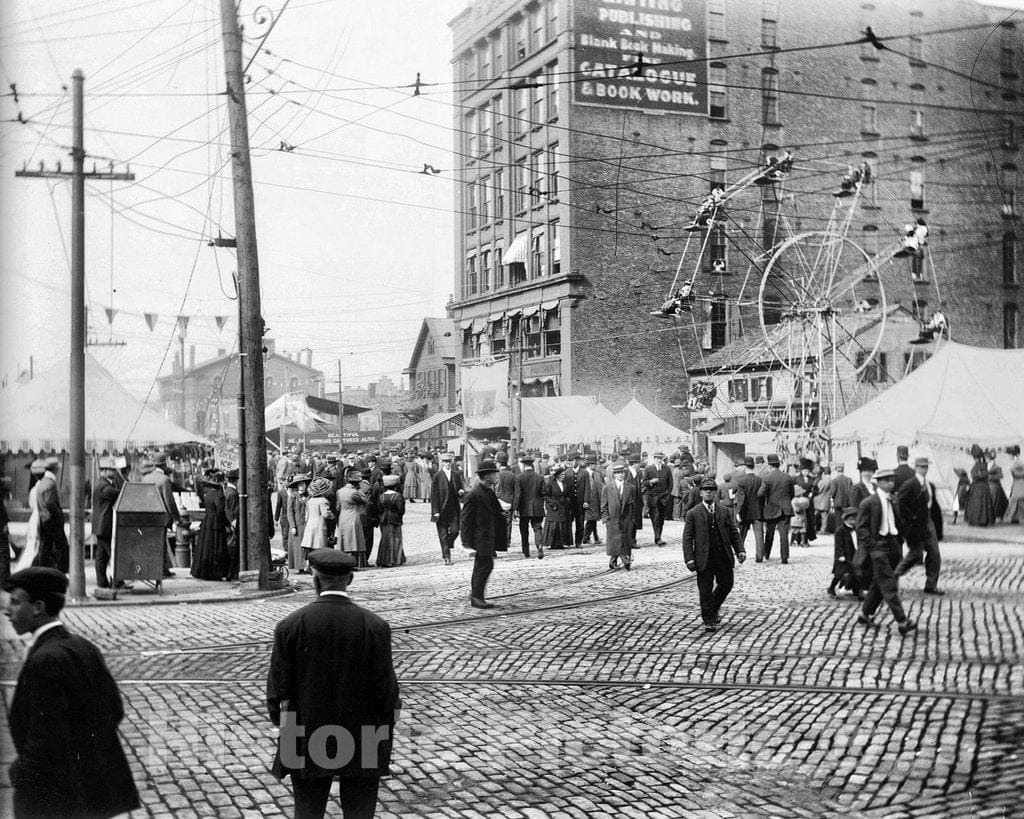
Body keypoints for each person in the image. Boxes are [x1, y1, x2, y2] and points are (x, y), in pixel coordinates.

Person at [267, 550, 400, 819]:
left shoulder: (290, 626)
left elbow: (276, 694)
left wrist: (283, 724)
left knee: (307, 810)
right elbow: (387, 693)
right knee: (360, 812)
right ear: (349, 580)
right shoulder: (375, 627)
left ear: (315, 580)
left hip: (304, 733)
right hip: (364, 734)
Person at [5, 567, 140, 818]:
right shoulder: (82, 646)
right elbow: (113, 710)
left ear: (38, 607)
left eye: (15, 602)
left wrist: (20, 773)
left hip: (50, 796)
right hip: (84, 791)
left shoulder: (45, 660)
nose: (7, 610)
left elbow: (45, 738)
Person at [856, 469, 916, 636]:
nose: (891, 483)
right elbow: (860, 528)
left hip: (894, 545)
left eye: (892, 480)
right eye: (887, 480)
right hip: (879, 547)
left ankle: (864, 613)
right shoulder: (869, 503)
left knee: (880, 581)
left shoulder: (894, 500)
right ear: (879, 482)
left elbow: (901, 521)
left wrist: (901, 538)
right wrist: (872, 546)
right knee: (889, 584)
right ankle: (902, 621)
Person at [683, 478, 746, 632]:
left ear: (716, 493)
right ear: (700, 493)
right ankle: (709, 620)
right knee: (705, 590)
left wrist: (740, 550)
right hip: (703, 558)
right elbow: (687, 538)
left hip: (722, 555)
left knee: (727, 583)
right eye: (706, 490)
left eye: (711, 490)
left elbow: (733, 532)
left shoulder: (724, 511)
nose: (709, 493)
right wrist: (689, 559)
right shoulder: (693, 514)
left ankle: (712, 608)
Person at [460, 459, 508, 609]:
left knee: (482, 565)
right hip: (480, 538)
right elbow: (466, 520)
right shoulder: (474, 494)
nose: (496, 476)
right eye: (494, 474)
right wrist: (466, 543)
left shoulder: (487, 491)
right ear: (486, 476)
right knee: (484, 566)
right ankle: (476, 597)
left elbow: (494, 511)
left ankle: (476, 594)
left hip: (487, 537)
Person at [894, 456, 945, 595]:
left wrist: (938, 529)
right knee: (915, 554)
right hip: (916, 525)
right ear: (916, 467)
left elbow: (934, 507)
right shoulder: (910, 484)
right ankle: (893, 577)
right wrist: (910, 520)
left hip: (929, 523)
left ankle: (931, 585)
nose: (924, 469)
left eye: (926, 467)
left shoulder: (930, 485)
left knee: (935, 554)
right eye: (921, 467)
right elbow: (901, 504)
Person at [141, 454, 180, 579]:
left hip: (146, 516)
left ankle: (157, 569)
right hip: (160, 517)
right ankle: (161, 571)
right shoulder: (164, 480)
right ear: (164, 465)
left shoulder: (145, 478)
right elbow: (169, 502)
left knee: (150, 543)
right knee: (161, 543)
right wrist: (177, 517)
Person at [91, 455, 125, 591]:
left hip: (101, 526)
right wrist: (121, 480)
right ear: (104, 471)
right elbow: (119, 493)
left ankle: (102, 581)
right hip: (105, 526)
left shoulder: (102, 483)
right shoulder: (104, 486)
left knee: (101, 555)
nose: (115, 472)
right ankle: (118, 581)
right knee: (113, 553)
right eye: (112, 470)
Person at [191, 473, 232, 581]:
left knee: (206, 546)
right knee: (217, 546)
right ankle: (216, 572)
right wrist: (227, 523)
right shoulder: (220, 496)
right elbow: (220, 511)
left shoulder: (207, 495)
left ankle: (205, 572)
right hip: (216, 522)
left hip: (207, 521)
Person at [34, 456, 69, 573]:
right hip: (52, 521)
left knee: (46, 548)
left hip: (44, 520)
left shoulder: (42, 483)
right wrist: (59, 516)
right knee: (61, 547)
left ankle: (43, 571)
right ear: (55, 470)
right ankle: (61, 572)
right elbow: (50, 503)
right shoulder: (50, 483)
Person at [758, 454, 794, 563]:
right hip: (785, 507)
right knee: (784, 534)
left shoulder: (767, 477)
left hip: (772, 508)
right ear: (779, 465)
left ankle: (766, 553)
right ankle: (784, 557)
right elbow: (792, 494)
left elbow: (760, 493)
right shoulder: (788, 477)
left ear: (769, 465)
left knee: (770, 532)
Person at [430, 453, 464, 566]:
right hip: (441, 509)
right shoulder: (437, 476)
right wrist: (435, 511)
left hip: (454, 508)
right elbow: (434, 496)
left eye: (449, 461)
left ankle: (448, 544)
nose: (447, 463)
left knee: (455, 530)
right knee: (443, 534)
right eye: (445, 461)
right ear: (442, 462)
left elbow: (460, 488)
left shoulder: (456, 474)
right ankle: (447, 556)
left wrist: (461, 492)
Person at [602, 461, 636, 570]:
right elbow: (604, 504)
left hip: (626, 518)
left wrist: (632, 518)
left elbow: (634, 504)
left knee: (624, 539)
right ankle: (624, 559)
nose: (621, 475)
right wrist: (606, 517)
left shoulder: (630, 488)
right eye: (618, 473)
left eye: (622, 473)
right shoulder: (608, 488)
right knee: (615, 539)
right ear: (614, 475)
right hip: (613, 518)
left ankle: (614, 560)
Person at [512, 455, 545, 558]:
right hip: (537, 507)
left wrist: (515, 509)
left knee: (524, 529)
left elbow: (518, 495)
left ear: (523, 464)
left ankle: (526, 551)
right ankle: (539, 546)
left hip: (524, 508)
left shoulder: (519, 478)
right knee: (537, 528)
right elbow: (544, 492)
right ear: (532, 464)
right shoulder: (540, 477)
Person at [732, 456, 764, 560]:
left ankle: (740, 554)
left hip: (745, 512)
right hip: (757, 511)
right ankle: (759, 557)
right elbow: (762, 497)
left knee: (742, 535)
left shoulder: (742, 481)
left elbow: (741, 499)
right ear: (754, 466)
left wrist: (737, 512)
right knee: (759, 535)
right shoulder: (760, 480)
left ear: (745, 466)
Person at [335, 472, 367, 566]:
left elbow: (338, 506)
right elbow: (364, 501)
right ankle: (353, 562)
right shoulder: (354, 492)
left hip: (342, 516)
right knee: (353, 539)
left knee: (344, 539)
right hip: (353, 516)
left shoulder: (339, 491)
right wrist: (361, 490)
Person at [643, 451, 673, 546]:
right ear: (654, 458)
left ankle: (659, 535)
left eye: (660, 458)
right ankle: (657, 537)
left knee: (661, 518)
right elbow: (644, 482)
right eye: (657, 458)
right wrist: (651, 481)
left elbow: (670, 483)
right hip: (653, 497)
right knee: (655, 517)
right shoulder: (649, 469)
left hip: (664, 498)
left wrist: (667, 494)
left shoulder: (667, 469)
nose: (659, 460)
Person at [376, 475, 406, 568]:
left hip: (384, 520)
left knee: (385, 538)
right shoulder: (398, 496)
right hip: (395, 519)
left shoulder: (381, 497)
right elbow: (401, 510)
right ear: (396, 486)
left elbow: (379, 509)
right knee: (396, 538)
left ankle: (383, 559)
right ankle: (395, 559)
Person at [541, 465, 572, 550]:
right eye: (562, 475)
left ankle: (561, 543)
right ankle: (552, 543)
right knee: (554, 524)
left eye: (564, 475)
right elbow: (546, 496)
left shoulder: (564, 484)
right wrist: (552, 503)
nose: (563, 476)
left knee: (562, 524)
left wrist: (567, 500)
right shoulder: (550, 484)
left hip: (563, 507)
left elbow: (566, 494)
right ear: (557, 475)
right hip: (554, 507)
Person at [963, 445, 995, 526]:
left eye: (976, 458)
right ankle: (977, 520)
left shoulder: (983, 465)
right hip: (977, 486)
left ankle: (981, 521)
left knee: (980, 503)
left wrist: (976, 475)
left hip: (981, 486)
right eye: (974, 458)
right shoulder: (978, 465)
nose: (975, 459)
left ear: (978, 458)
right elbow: (975, 474)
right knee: (976, 503)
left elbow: (984, 474)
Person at [287, 474, 310, 573]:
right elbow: (290, 512)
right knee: (297, 546)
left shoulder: (309, 496)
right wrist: (293, 526)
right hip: (297, 524)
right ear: (297, 486)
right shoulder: (293, 496)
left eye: (304, 484)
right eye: (300, 484)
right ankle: (299, 566)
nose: (302, 486)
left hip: (307, 524)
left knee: (306, 546)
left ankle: (307, 566)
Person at [581, 454, 604, 545]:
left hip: (596, 499)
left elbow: (601, 485)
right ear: (590, 464)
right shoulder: (584, 473)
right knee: (591, 519)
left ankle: (595, 537)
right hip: (588, 500)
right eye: (594, 464)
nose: (595, 465)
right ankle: (585, 537)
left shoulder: (597, 474)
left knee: (594, 519)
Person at [1005, 446, 1024, 524]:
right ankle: (1015, 518)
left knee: (1017, 499)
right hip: (1017, 483)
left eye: (1010, 454)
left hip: (1020, 483)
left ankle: (1015, 517)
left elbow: (1021, 474)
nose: (1009, 456)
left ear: (1013, 455)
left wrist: (1013, 471)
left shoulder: (1019, 463)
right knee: (1017, 500)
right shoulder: (1017, 462)